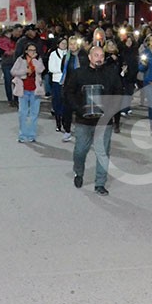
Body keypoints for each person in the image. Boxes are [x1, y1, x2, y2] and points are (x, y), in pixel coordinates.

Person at [64, 46, 123, 196]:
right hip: (83, 121)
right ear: (90, 57)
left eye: (102, 55)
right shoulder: (79, 73)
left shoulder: (111, 74)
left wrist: (111, 109)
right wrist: (78, 109)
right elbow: (68, 92)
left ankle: (100, 184)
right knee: (80, 151)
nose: (99, 58)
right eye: (96, 55)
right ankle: (78, 172)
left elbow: (119, 92)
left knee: (102, 153)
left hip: (104, 122)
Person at [11, 43, 46, 143]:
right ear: (26, 51)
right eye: (30, 50)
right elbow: (13, 71)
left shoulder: (38, 60)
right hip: (23, 90)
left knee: (34, 113)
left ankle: (32, 135)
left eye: (34, 50)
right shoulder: (20, 60)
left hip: (35, 90)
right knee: (23, 113)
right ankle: (22, 135)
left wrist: (34, 60)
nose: (32, 52)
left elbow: (41, 69)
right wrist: (25, 71)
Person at [47, 38, 70, 132]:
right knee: (57, 101)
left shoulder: (69, 54)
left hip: (67, 81)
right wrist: (62, 70)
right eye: (62, 43)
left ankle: (65, 121)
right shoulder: (53, 54)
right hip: (57, 80)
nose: (64, 45)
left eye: (65, 43)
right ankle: (58, 121)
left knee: (66, 102)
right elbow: (51, 68)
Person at [0, 26, 19, 106]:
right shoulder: (1, 40)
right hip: (7, 63)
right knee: (8, 81)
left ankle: (16, 98)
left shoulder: (16, 40)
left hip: (15, 63)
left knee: (16, 82)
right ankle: (10, 99)